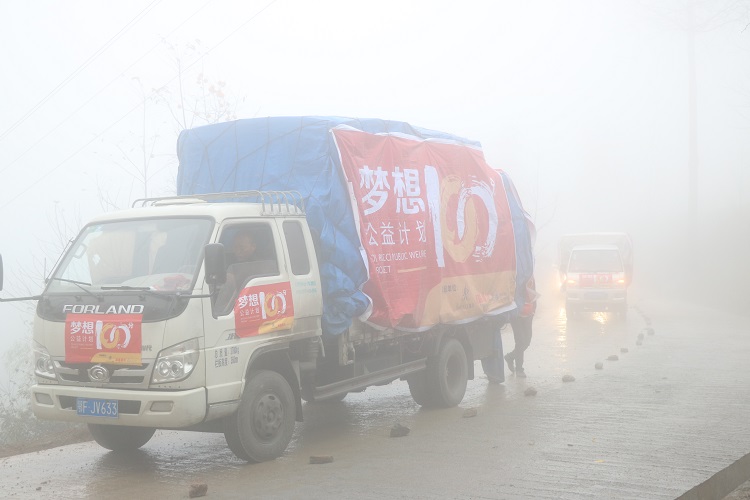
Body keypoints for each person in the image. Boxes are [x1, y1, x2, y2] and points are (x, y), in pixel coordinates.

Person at [504, 276, 537, 378]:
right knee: (520, 341)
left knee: (527, 342)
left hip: (528, 314)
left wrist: (534, 310)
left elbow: (533, 294)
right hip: (516, 315)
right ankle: (519, 369)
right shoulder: (513, 276)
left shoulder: (531, 278)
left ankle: (510, 357)